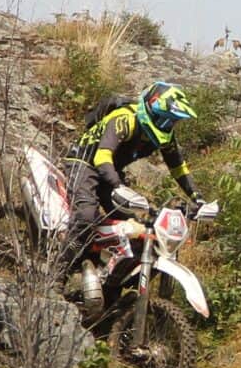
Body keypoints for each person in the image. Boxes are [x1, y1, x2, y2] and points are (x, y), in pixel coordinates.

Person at [63, 81, 204, 270]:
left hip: (111, 172)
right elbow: (102, 155)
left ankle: (109, 286)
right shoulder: (125, 118)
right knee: (86, 217)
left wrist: (198, 198)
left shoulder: (165, 135)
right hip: (83, 163)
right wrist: (117, 185)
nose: (169, 125)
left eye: (173, 121)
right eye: (166, 119)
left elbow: (178, 167)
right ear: (152, 110)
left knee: (135, 228)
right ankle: (59, 273)